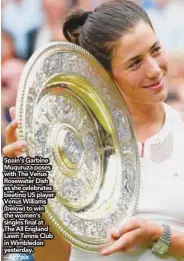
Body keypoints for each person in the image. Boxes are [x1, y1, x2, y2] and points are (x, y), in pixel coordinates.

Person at [2, 0, 184, 260]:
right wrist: (27, 184)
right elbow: (46, 258)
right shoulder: (63, 146)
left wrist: (160, 236)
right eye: (135, 63)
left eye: (155, 50)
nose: (154, 70)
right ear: (103, 75)